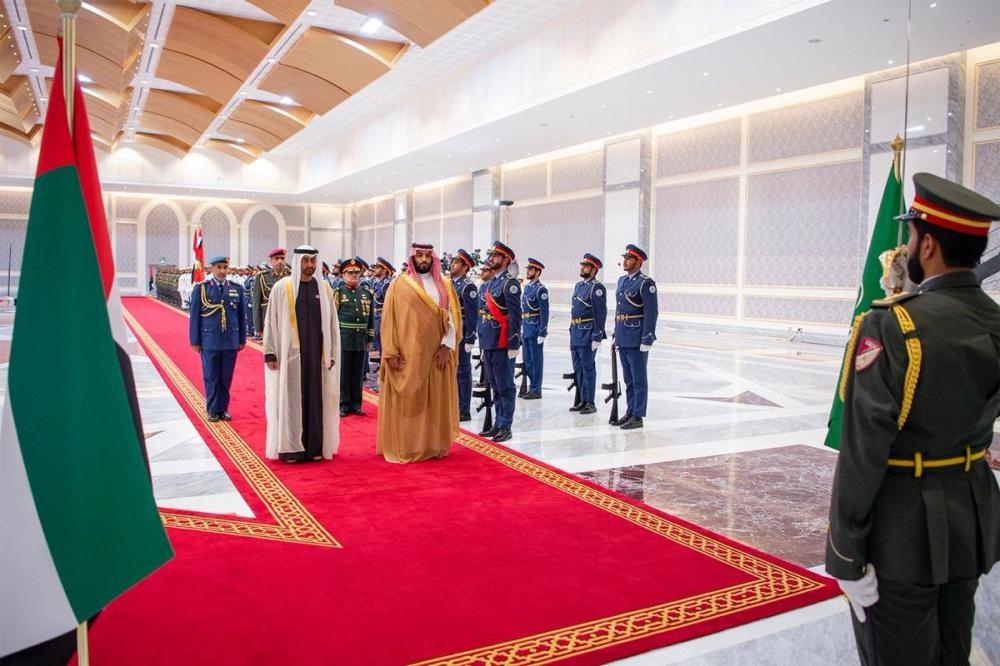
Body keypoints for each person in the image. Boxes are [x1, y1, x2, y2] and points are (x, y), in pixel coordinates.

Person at [827, 173, 1000, 666]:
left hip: (899, 536)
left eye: (910, 236)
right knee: (952, 652)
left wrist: (844, 554)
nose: (904, 246)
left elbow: (863, 452)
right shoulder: (993, 320)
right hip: (969, 523)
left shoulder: (892, 324)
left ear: (927, 244)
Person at [377, 243, 462, 463]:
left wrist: (447, 347)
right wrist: (391, 351)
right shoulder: (399, 285)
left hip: (437, 355)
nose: (423, 260)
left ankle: (433, 445)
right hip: (408, 354)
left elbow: (452, 318)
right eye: (419, 256)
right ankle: (409, 446)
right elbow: (389, 320)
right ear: (412, 258)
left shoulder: (445, 285)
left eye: (427, 256)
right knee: (410, 400)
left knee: (434, 401)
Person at [262, 245, 340, 462]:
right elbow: (271, 321)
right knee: (291, 399)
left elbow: (332, 324)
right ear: (297, 262)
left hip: (317, 356)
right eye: (305, 261)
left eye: (312, 261)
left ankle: (314, 447)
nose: (309, 266)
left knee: (316, 399)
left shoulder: (324, 288)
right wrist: (270, 352)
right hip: (290, 356)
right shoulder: (281, 287)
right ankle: (292, 448)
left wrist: (331, 352)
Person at [189, 255, 246, 422]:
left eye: (224, 267)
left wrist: (242, 339)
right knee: (212, 377)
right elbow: (195, 318)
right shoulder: (202, 288)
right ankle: (213, 409)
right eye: (219, 267)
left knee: (226, 377)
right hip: (210, 341)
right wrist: (195, 341)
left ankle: (223, 409)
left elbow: (241, 316)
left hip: (230, 341)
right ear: (211, 269)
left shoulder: (236, 288)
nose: (222, 271)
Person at [477, 241, 522, 442]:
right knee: (494, 385)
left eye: (496, 256)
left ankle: (505, 425)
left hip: (502, 341)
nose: (491, 259)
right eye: (492, 255)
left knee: (505, 385)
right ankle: (497, 423)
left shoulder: (509, 284)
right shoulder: (491, 283)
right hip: (488, 340)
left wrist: (514, 342)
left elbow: (515, 314)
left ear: (506, 260)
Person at [612, 244, 658, 430]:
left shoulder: (646, 283)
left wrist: (648, 337)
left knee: (639, 379)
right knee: (628, 379)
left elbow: (651, 312)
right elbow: (619, 309)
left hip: (637, 336)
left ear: (638, 262)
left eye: (629, 258)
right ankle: (630, 411)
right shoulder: (622, 281)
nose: (625, 261)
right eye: (625, 258)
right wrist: (616, 333)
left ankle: (638, 415)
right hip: (623, 335)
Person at [334, 256, 374, 416]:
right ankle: (344, 404)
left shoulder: (366, 293)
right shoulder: (338, 292)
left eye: (357, 273)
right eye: (350, 273)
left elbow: (370, 317)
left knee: (358, 373)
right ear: (343, 275)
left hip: (360, 338)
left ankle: (356, 404)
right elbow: (334, 317)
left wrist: (370, 338)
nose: (354, 275)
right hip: (344, 337)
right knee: (345, 372)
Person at [569, 253, 607, 414]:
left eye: (585, 266)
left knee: (588, 368)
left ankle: (590, 401)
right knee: (578, 368)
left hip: (587, 332)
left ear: (593, 269)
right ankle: (582, 399)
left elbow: (600, 312)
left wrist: (597, 334)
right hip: (576, 331)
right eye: (582, 265)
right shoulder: (579, 286)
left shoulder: (596, 288)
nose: (582, 268)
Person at [451, 249, 479, 421]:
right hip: (451, 333)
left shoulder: (468, 287)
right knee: (452, 371)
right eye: (453, 261)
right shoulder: (451, 284)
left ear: (465, 267)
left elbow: (471, 315)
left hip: (462, 333)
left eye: (457, 262)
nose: (453, 264)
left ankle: (464, 409)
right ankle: (454, 404)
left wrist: (470, 338)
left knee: (463, 370)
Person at [520, 258, 549, 400]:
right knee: (528, 361)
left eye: (531, 269)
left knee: (536, 361)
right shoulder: (527, 288)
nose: (528, 271)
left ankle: (536, 389)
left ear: (538, 272)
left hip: (535, 328)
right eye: (528, 269)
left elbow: (544, 311)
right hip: (526, 328)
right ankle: (530, 386)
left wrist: (542, 331)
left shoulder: (541, 289)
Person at [252, 248, 289, 341]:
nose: (280, 261)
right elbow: (256, 303)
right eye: (276, 258)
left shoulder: (291, 276)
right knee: (270, 351)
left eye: (282, 258)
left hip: (287, 319)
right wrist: (258, 327)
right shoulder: (262, 277)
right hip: (269, 319)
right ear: (271, 261)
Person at [371, 256, 395, 360]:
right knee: (379, 342)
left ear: (384, 270)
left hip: (383, 316)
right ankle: (381, 364)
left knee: (383, 342)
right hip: (376, 316)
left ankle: (383, 364)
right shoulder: (377, 283)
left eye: (377, 267)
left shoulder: (386, 284)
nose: (374, 269)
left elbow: (388, 304)